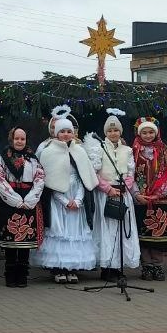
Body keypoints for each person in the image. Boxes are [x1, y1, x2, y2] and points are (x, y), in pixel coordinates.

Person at [34, 115, 97, 283]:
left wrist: (77, 200)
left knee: (75, 233)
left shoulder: (79, 151)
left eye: (69, 131)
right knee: (59, 233)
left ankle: (72, 268)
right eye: (62, 131)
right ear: (56, 133)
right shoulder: (48, 152)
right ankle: (58, 269)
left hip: (76, 200)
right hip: (58, 202)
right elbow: (50, 182)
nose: (66, 134)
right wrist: (64, 201)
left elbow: (84, 179)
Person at [0, 127, 45, 288]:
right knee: (10, 242)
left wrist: (29, 200)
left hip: (28, 202)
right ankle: (10, 275)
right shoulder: (3, 158)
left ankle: (22, 275)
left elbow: (40, 179)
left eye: (22, 139)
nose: (19, 142)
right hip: (10, 202)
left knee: (24, 244)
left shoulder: (33, 159)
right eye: (17, 139)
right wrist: (14, 199)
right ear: (11, 139)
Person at [93, 111, 141, 281]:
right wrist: (108, 189)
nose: (113, 134)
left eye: (116, 130)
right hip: (106, 195)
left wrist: (124, 187)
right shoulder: (99, 149)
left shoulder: (127, 150)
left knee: (122, 232)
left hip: (122, 193)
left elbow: (130, 173)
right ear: (105, 133)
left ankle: (119, 267)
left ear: (120, 132)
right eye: (110, 131)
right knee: (108, 232)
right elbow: (94, 173)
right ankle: (106, 268)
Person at [132, 116, 167, 281]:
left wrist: (158, 193)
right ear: (139, 133)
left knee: (158, 236)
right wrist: (137, 194)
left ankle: (157, 266)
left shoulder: (164, 150)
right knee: (144, 235)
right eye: (145, 132)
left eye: (151, 132)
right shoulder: (134, 150)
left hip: (160, 200)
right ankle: (147, 266)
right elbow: (130, 175)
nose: (148, 135)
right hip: (141, 199)